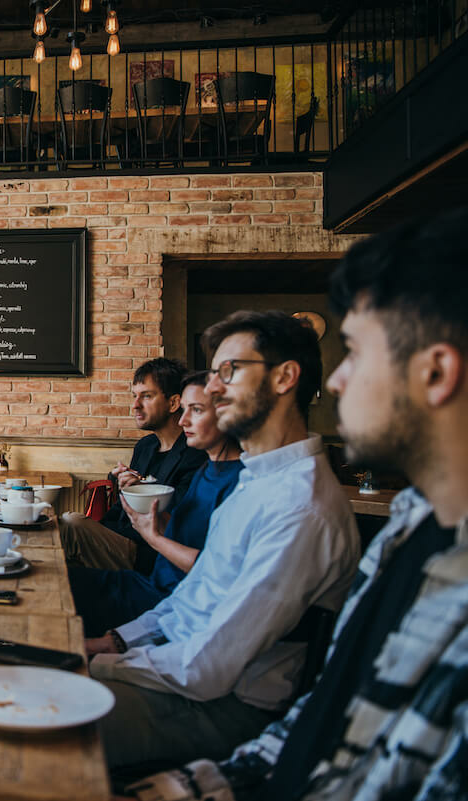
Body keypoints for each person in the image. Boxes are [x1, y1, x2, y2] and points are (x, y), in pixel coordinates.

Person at [125, 210, 468, 801]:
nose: (334, 383)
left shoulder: (307, 508)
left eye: (355, 353)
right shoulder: (409, 530)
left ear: (435, 370)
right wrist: (196, 785)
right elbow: (325, 720)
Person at [87, 311, 360, 769]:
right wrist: (116, 640)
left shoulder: (299, 507)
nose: (212, 389)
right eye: (213, 374)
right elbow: (191, 598)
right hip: (176, 670)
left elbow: (209, 667)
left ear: (284, 378)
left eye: (228, 372)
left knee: (26, 725)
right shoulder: (258, 477)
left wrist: (94, 663)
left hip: (225, 709)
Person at [69, 370, 242, 637]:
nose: (183, 421)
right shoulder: (209, 469)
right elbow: (178, 525)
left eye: (195, 410)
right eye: (185, 410)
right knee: (57, 580)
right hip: (157, 582)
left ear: (228, 414)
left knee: (66, 554)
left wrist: (153, 534)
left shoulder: (236, 479)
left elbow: (216, 572)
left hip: (167, 593)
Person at [60, 358, 207, 572]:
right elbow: (120, 509)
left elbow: (181, 514)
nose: (135, 405)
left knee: (71, 524)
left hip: (149, 552)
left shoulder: (196, 453)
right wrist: (118, 483)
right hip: (120, 536)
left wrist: (141, 490)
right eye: (134, 396)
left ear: (174, 403)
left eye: (146, 396)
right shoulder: (145, 446)